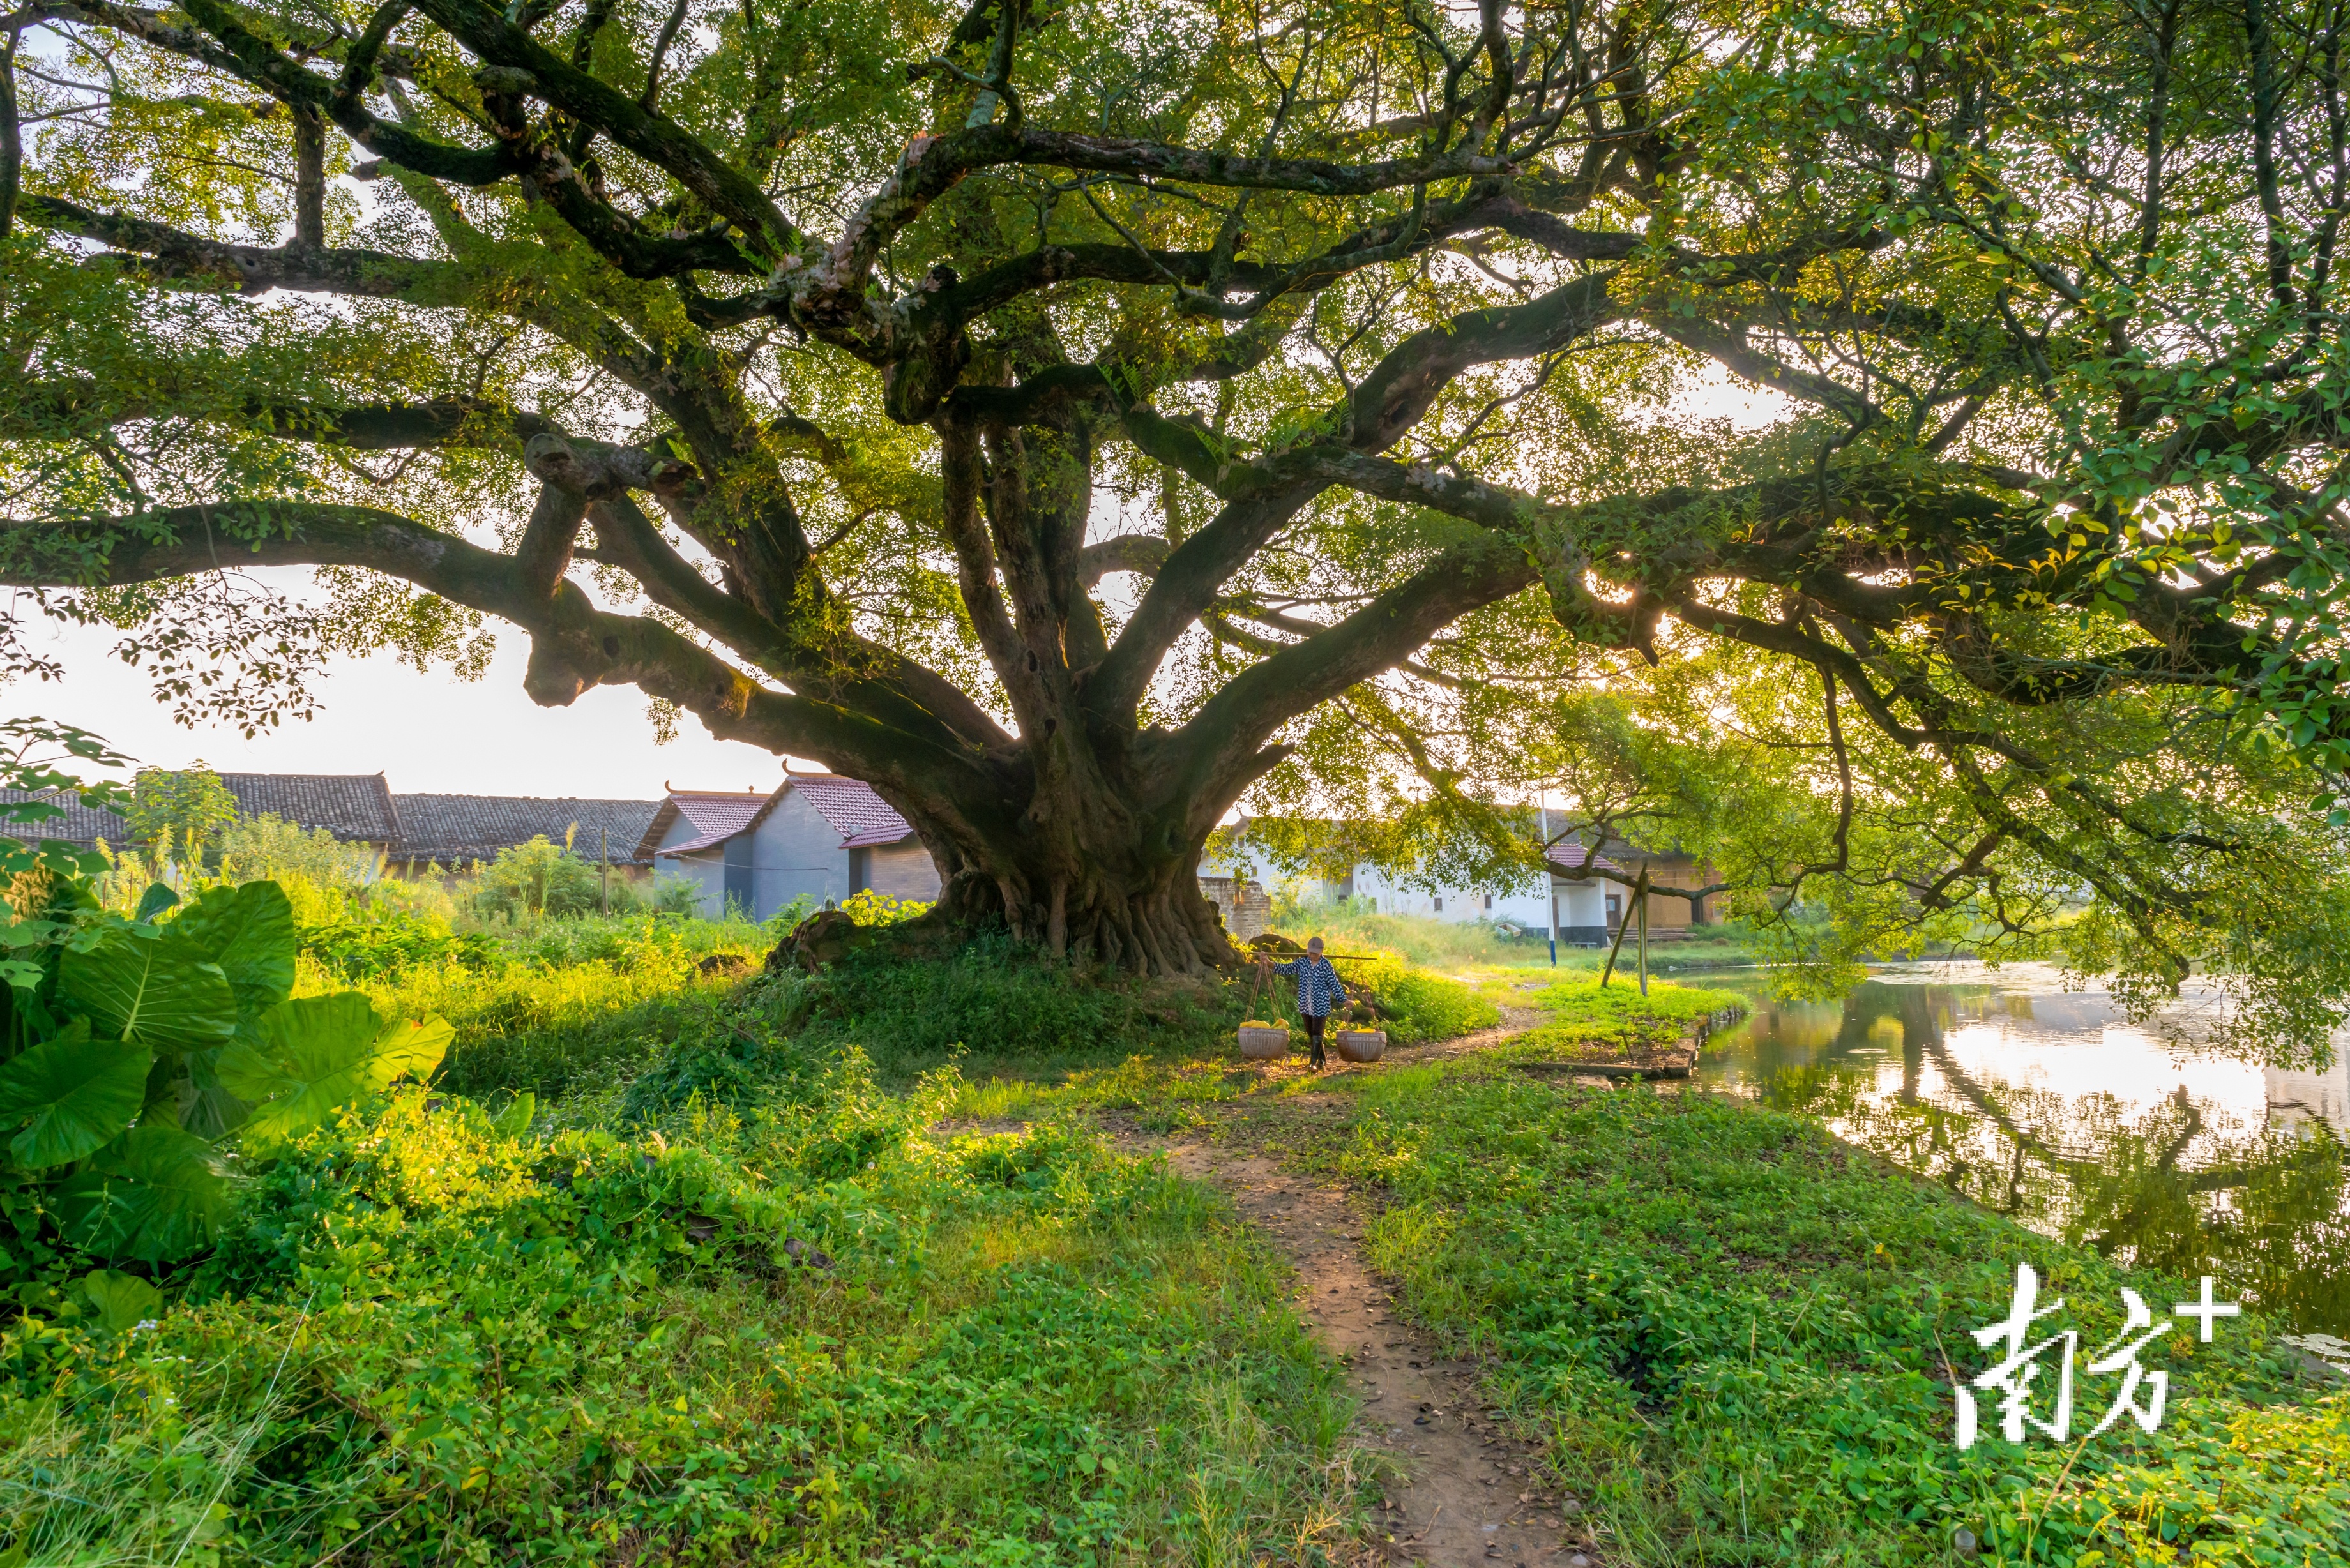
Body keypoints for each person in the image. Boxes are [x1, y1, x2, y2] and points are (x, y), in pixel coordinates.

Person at [1261, 936, 1350, 1069]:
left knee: (1317, 1033)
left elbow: (1334, 984)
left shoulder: (1326, 966)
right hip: (1305, 1004)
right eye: (1310, 952)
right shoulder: (1303, 963)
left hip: (1321, 1005)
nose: (1312, 955)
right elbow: (1287, 968)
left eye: (1315, 952)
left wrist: (1344, 1000)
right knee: (1311, 1033)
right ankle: (1323, 1060)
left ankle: (1313, 1064)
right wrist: (1269, 963)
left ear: (1321, 951)